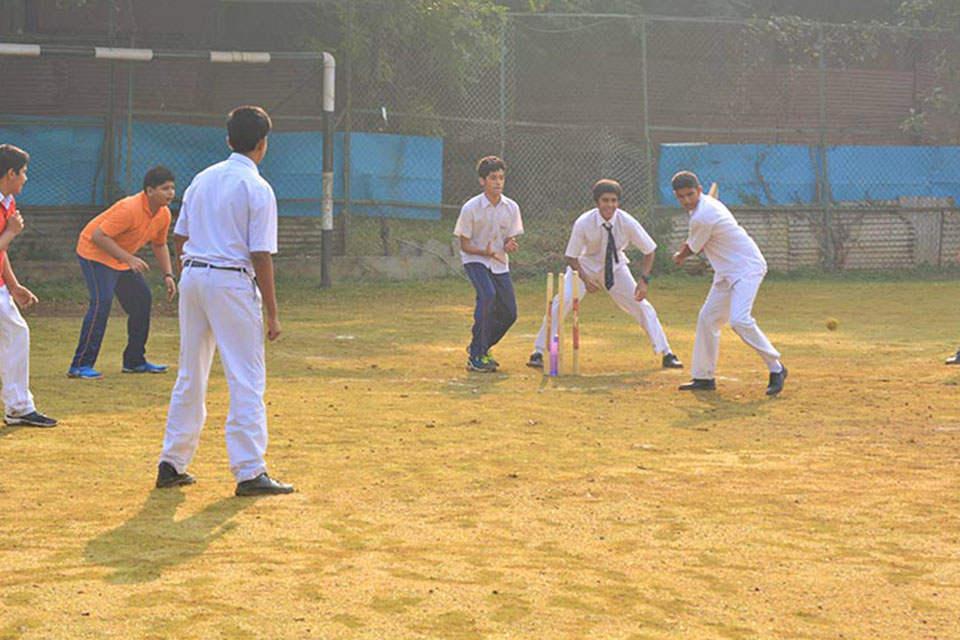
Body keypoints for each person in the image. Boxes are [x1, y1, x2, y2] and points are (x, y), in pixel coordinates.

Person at [156, 105, 293, 496]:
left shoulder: (202, 178)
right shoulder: (257, 187)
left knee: (191, 373)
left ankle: (172, 461)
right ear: (263, 145)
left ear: (228, 140)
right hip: (231, 281)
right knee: (245, 376)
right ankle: (250, 471)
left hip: (195, 275)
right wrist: (272, 311)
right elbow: (261, 253)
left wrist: (190, 274)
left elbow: (180, 237)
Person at [526, 179, 683, 370]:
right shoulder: (584, 222)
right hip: (584, 266)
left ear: (618, 202)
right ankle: (539, 352)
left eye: (614, 200)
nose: (610, 205)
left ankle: (667, 353)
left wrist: (643, 281)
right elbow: (572, 257)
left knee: (641, 305)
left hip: (616, 267)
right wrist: (586, 280)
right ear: (597, 202)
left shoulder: (626, 221)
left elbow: (649, 251)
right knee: (563, 300)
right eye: (605, 200)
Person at [670, 170, 787, 395]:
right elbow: (701, 242)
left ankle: (777, 368)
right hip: (726, 272)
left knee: (739, 320)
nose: (686, 200)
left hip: (747, 268)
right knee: (707, 319)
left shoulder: (703, 216)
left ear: (700, 190)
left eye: (690, 195)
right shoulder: (704, 209)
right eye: (681, 197)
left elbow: (693, 248)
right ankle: (704, 377)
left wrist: (679, 256)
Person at [68, 167, 178, 379]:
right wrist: (129, 258)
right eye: (165, 188)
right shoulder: (130, 208)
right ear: (150, 191)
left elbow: (160, 244)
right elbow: (99, 236)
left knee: (142, 300)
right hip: (94, 253)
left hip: (120, 258)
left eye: (172, 188)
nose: (171, 193)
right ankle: (80, 365)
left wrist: (168, 275)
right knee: (102, 302)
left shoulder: (163, 213)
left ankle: (135, 361)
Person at [0, 144, 57, 428]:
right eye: (23, 173)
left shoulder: (7, 200)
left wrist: (13, 285)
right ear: (10, 172)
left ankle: (19, 407)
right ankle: (18, 407)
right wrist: (10, 232)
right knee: (16, 334)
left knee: (16, 334)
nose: (25, 178)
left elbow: (2, 251)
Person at [454, 155, 523, 372]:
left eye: (501, 178)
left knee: (510, 313)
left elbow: (509, 239)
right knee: (487, 295)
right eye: (493, 178)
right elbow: (464, 245)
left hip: (499, 263)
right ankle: (476, 357)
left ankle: (480, 346)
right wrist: (484, 251)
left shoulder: (511, 207)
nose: (498, 183)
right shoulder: (470, 208)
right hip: (475, 259)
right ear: (482, 181)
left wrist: (510, 244)